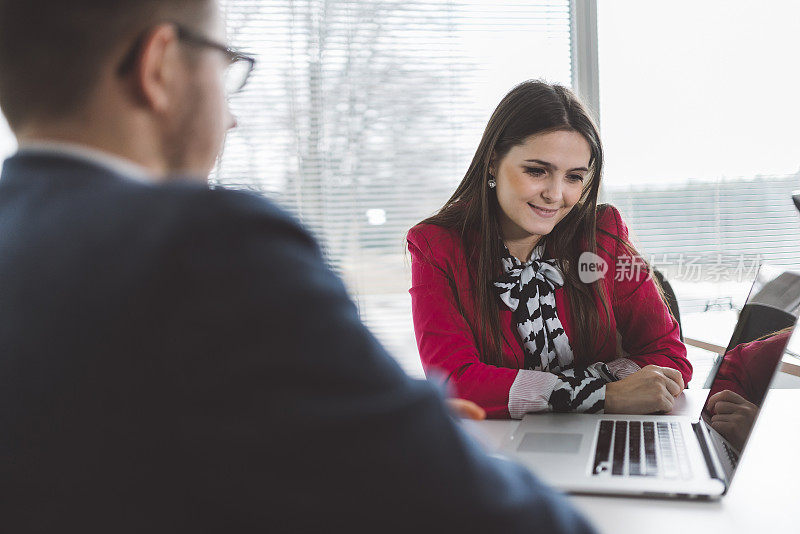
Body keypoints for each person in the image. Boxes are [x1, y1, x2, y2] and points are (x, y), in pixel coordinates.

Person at [0, 1, 596, 532]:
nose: (229, 117)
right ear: (159, 65)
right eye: (224, 65)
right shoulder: (211, 242)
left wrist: (355, 408)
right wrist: (402, 441)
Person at [407, 81, 692, 419]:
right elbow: (453, 381)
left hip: (599, 436)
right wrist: (602, 394)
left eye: (573, 177)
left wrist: (538, 391)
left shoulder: (602, 233)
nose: (556, 195)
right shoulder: (436, 246)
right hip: (498, 445)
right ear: (493, 162)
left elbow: (669, 356)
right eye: (537, 171)